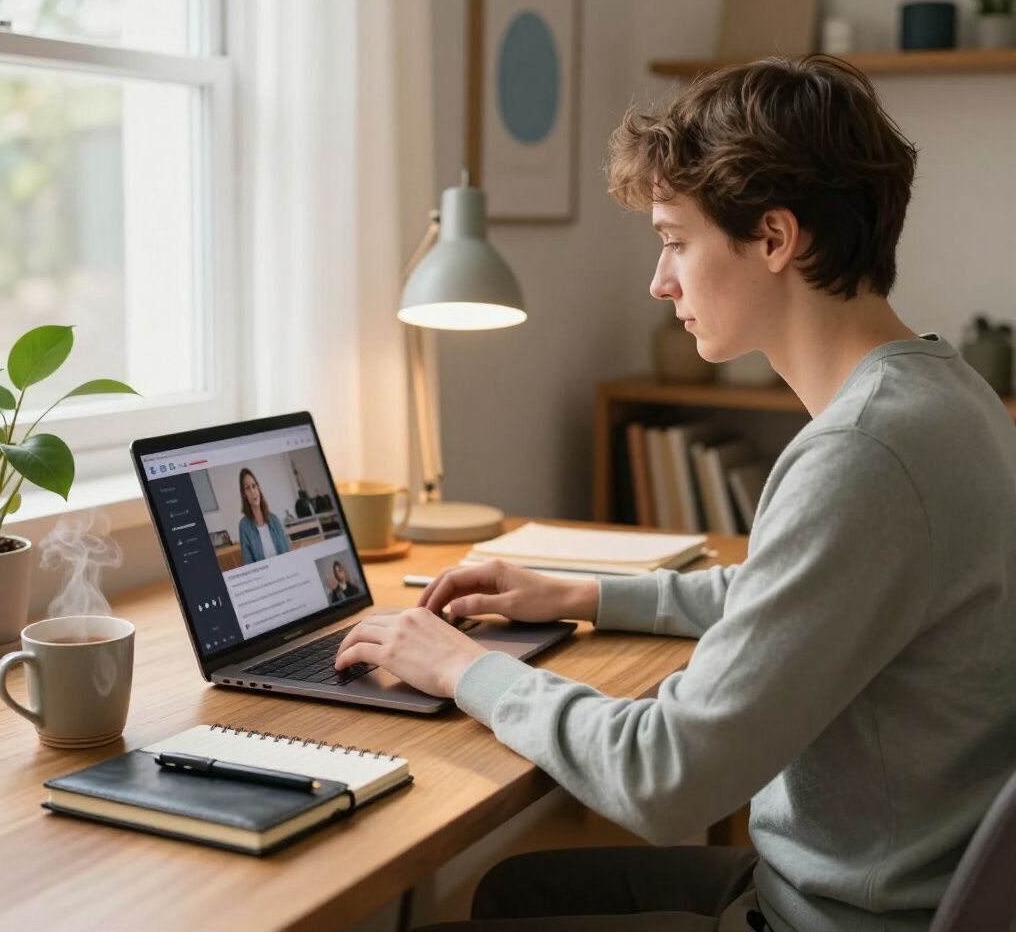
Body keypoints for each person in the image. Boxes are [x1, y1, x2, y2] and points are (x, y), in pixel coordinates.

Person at [334, 55, 1016, 931]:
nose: (660, 283)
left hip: (833, 914)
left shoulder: (862, 454)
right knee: (509, 894)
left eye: (674, 240)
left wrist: (461, 666)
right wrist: (580, 594)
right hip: (878, 884)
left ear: (775, 239)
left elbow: (663, 778)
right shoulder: (946, 392)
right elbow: (794, 590)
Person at [237, 468, 291, 563]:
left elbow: (287, 551)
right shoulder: (244, 526)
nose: (253, 491)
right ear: (244, 494)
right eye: (247, 488)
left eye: (254, 486)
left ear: (258, 489)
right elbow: (249, 563)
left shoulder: (274, 519)